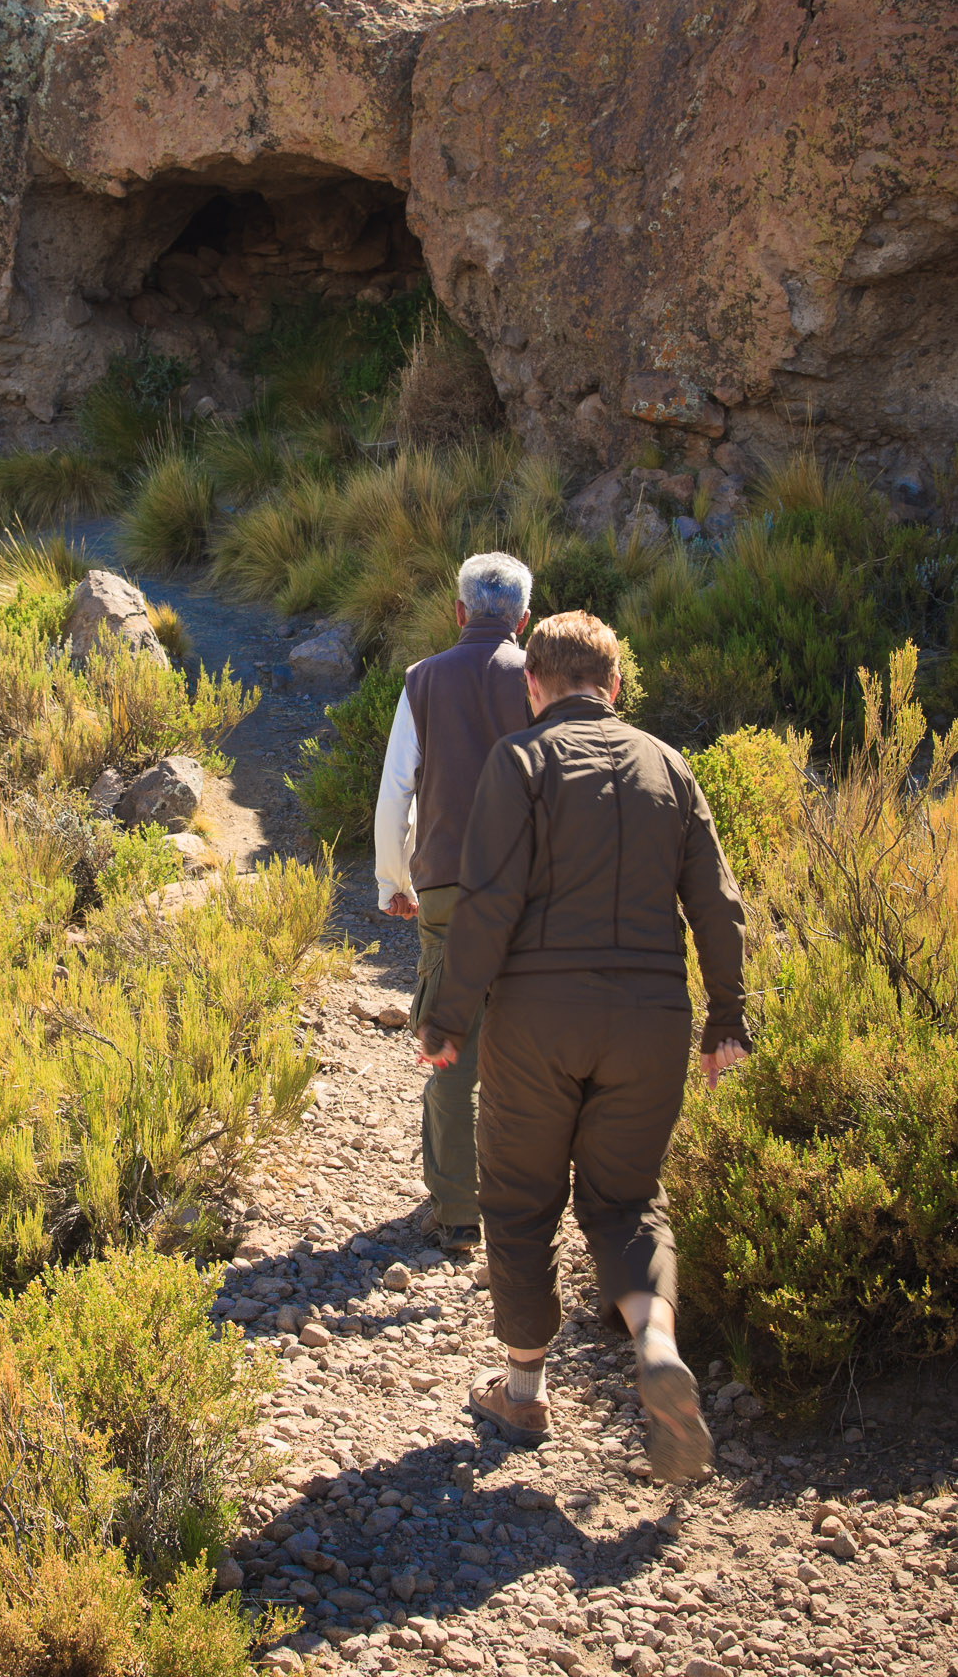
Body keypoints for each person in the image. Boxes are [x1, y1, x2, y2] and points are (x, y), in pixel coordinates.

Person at [416, 610, 749, 1482]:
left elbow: (488, 904)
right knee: (627, 1200)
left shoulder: (519, 761)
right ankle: (654, 1340)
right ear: (613, 686)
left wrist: (446, 1018)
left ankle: (522, 1391)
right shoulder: (669, 767)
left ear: (533, 684)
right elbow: (716, 905)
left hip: (537, 1018)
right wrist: (727, 1021)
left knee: (520, 1197)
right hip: (650, 1019)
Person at [374, 551, 532, 1254]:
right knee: (529, 1041)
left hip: (443, 883)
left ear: (459, 611)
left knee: (446, 1039)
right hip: (531, 888)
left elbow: (396, 790)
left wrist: (393, 881)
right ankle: (524, 1197)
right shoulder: (540, 675)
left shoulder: (423, 678)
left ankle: (457, 1206)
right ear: (522, 619)